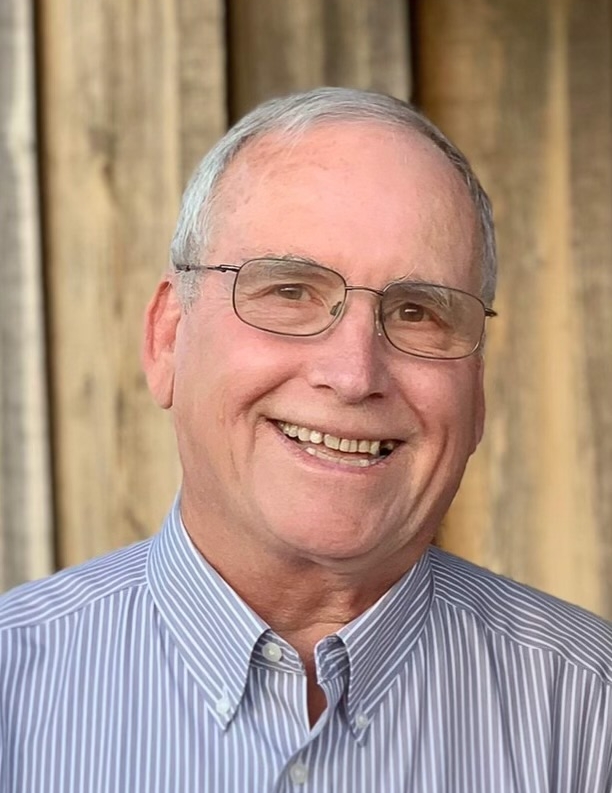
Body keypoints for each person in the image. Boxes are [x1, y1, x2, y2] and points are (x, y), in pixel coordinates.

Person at [0, 87, 610, 792]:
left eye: (417, 312)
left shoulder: (591, 714)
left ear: (476, 389)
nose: (353, 375)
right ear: (168, 339)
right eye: (290, 292)